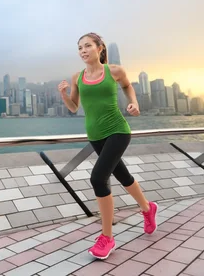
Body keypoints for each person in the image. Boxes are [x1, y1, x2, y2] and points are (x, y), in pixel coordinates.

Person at [58, 32, 157, 260]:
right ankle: (147, 208)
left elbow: (128, 87)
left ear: (100, 48)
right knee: (123, 176)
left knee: (97, 178)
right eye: (80, 48)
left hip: (118, 131)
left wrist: (133, 103)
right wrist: (63, 94)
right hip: (95, 135)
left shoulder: (114, 71)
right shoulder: (77, 77)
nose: (83, 51)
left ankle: (107, 237)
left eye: (87, 46)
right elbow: (74, 107)